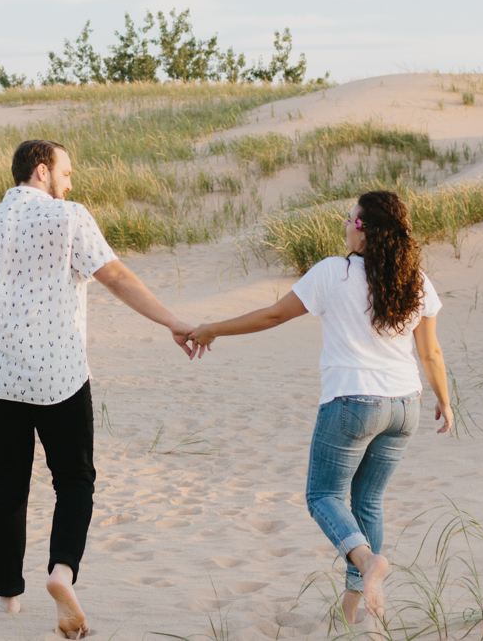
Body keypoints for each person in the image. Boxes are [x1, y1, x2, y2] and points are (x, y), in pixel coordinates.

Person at [0, 138, 198, 638]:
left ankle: (7, 597)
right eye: (67, 173)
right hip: (59, 377)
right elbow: (115, 276)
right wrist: (172, 321)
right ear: (43, 171)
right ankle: (61, 572)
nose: (71, 183)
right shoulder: (68, 216)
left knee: (8, 485)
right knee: (74, 480)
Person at [187, 190, 454, 626]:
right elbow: (432, 353)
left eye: (350, 219)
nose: (345, 225)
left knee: (323, 496)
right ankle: (353, 609)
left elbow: (274, 316)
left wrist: (213, 328)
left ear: (363, 230)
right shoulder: (416, 280)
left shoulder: (334, 273)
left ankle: (368, 563)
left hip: (353, 401)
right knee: (368, 501)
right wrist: (444, 399)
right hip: (407, 406)